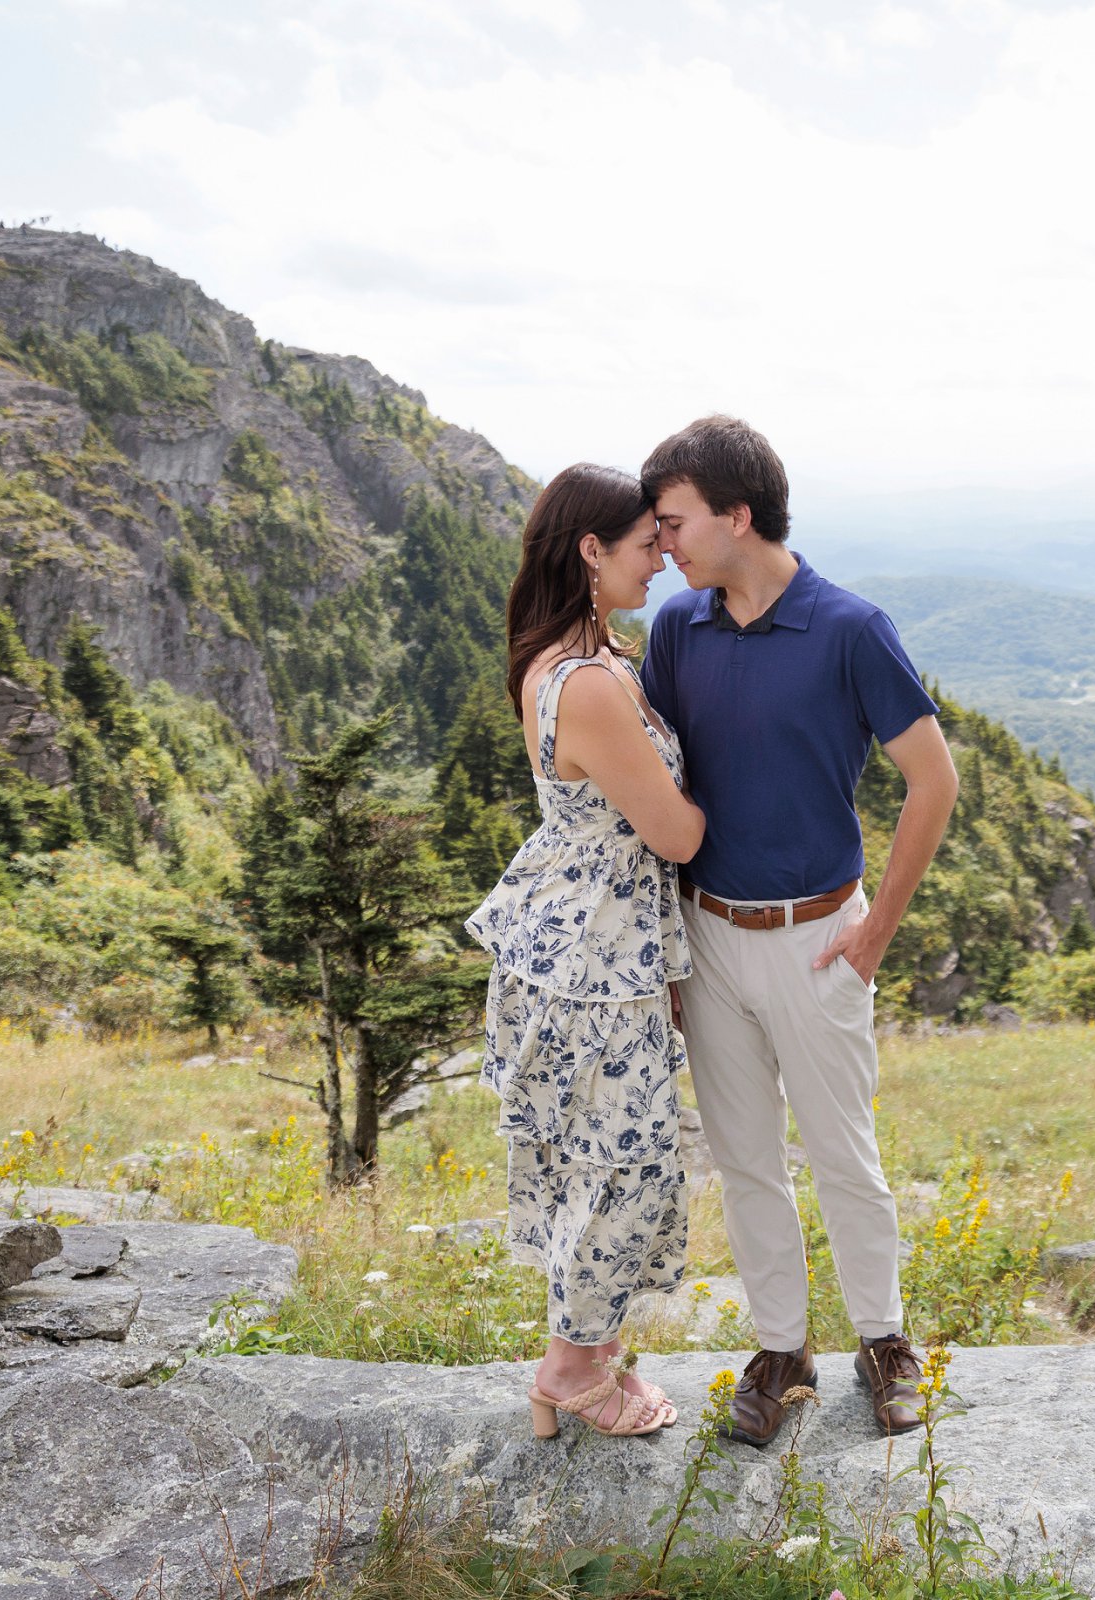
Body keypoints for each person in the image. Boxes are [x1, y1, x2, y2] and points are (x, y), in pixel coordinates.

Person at [639, 416, 960, 1444]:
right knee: (742, 1158)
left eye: (676, 521)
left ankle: (885, 1342)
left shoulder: (851, 628)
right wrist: (666, 946)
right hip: (709, 935)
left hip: (823, 933)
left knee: (842, 1155)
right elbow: (652, 793)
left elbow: (933, 781)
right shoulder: (676, 631)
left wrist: (875, 937)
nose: (665, 544)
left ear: (739, 515)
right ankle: (782, 1351)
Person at [465, 463, 703, 1439]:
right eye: (648, 543)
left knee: (596, 1161)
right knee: (629, 1166)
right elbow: (678, 836)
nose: (664, 560)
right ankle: (571, 1370)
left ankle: (585, 1359)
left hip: (575, 950)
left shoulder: (564, 660)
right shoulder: (597, 684)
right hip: (597, 967)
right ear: (593, 550)